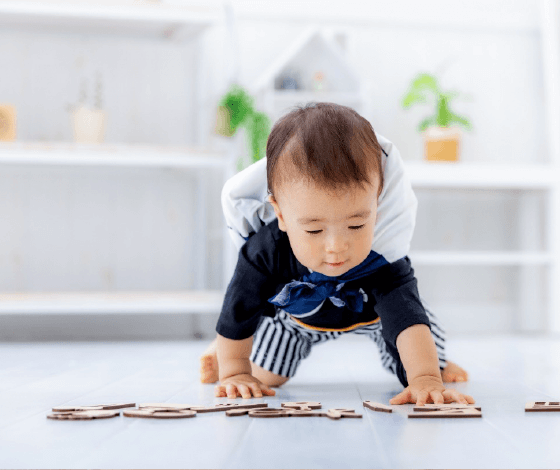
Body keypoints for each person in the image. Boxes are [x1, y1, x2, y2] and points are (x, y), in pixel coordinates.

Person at [200, 102, 473, 406]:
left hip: (376, 317)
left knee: (424, 347)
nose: (336, 246)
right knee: (263, 375)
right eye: (314, 230)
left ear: (377, 207)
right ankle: (223, 353)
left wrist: (425, 379)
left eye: (357, 224)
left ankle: (438, 367)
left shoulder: (383, 254)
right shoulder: (266, 251)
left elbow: (406, 319)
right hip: (297, 319)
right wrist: (235, 371)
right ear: (280, 214)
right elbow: (239, 306)